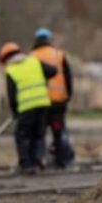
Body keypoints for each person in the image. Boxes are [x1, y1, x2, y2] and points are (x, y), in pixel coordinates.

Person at [0, 41, 56, 174]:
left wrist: (14, 111)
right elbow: (53, 71)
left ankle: (26, 164)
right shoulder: (34, 62)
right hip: (43, 104)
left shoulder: (11, 70)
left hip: (26, 107)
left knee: (22, 136)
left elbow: (11, 94)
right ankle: (38, 161)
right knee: (39, 134)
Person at [31, 27, 75, 168]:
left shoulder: (32, 56)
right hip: (58, 103)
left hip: (39, 103)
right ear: (49, 40)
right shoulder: (59, 55)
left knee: (39, 134)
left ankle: (39, 161)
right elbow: (68, 77)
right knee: (59, 131)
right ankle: (63, 161)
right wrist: (68, 96)